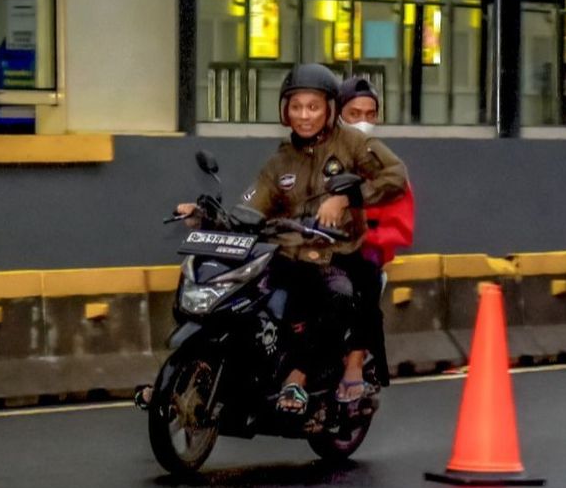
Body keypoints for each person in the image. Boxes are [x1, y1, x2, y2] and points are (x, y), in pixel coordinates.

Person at [175, 64, 408, 414]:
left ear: (329, 109)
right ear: (285, 111)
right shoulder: (280, 160)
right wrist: (204, 214)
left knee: (337, 297)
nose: (304, 115)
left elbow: (395, 175)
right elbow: (250, 206)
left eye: (313, 107)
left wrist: (347, 197)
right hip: (288, 254)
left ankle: (297, 379)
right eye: (296, 107)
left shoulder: (354, 144)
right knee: (236, 292)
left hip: (336, 252)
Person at [334, 77, 416, 386]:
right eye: (355, 114)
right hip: (317, 244)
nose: (364, 122)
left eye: (370, 114)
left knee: (364, 278)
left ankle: (355, 362)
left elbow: (398, 218)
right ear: (339, 113)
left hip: (364, 248)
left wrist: (366, 237)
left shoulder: (383, 163)